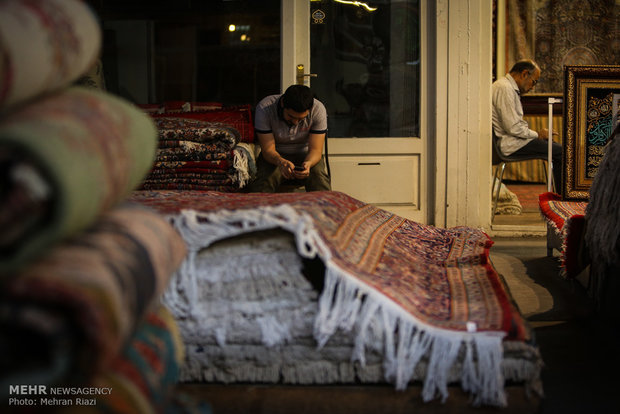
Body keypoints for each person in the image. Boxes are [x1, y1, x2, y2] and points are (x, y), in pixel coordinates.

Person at [492, 59, 562, 189]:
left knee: (555, 148)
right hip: (510, 144)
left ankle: (560, 196)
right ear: (524, 74)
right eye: (533, 81)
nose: (532, 87)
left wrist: (537, 135)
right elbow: (513, 127)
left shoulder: (507, 87)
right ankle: (562, 198)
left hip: (514, 141)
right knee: (560, 152)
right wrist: (537, 135)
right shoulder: (504, 88)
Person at [248, 84, 331, 192]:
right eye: (291, 116)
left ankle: (325, 208)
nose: (295, 122)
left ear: (310, 110)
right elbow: (268, 150)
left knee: (318, 177)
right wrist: (280, 162)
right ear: (282, 103)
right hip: (275, 155)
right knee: (264, 182)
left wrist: (309, 163)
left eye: (301, 119)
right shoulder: (265, 108)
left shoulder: (318, 109)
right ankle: (258, 208)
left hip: (306, 154)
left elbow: (315, 150)